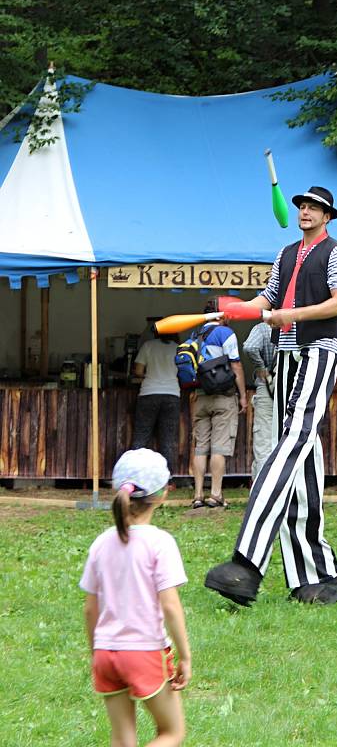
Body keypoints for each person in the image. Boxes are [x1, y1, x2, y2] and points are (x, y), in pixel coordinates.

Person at [205, 185, 337, 606]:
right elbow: (267, 300)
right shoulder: (287, 253)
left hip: (318, 351)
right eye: (302, 206)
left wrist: (293, 315)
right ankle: (318, 580)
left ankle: (246, 564)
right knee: (303, 457)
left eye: (314, 207)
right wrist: (233, 310)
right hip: (285, 356)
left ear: (328, 216)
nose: (306, 212)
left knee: (288, 446)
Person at [80, 448, 191, 747]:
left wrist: (96, 652)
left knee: (122, 739)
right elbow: (169, 604)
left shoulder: (100, 544)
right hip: (143, 652)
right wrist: (186, 656)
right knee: (172, 732)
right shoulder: (160, 543)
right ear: (162, 494)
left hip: (106, 653)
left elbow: (90, 610)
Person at [191, 299, 247, 509]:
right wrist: (242, 395)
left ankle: (197, 495)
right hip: (223, 397)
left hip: (200, 396)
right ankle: (215, 494)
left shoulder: (195, 335)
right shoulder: (225, 333)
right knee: (219, 447)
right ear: (221, 315)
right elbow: (236, 365)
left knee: (200, 447)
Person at [132, 331, 181, 476]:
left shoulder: (148, 345)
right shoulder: (178, 348)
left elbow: (138, 371)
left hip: (149, 392)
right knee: (168, 438)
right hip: (172, 393)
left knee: (141, 436)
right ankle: (167, 478)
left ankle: (134, 474)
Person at [242, 321, 276, 483]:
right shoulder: (298, 324)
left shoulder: (263, 328)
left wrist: (261, 366)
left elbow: (249, 347)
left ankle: (262, 488)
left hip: (266, 387)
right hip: (293, 389)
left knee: (263, 440)